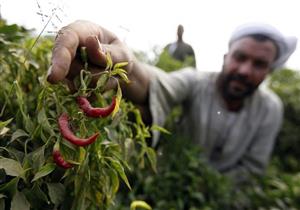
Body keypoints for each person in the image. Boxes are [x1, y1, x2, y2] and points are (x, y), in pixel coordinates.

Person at [47, 20, 297, 184]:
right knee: (142, 112)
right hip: (169, 179)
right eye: (240, 57)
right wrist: (127, 68)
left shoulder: (270, 108)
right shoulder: (196, 82)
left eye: (259, 64)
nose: (244, 70)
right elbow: (158, 83)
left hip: (218, 198)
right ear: (225, 56)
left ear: (269, 71)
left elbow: (252, 171)